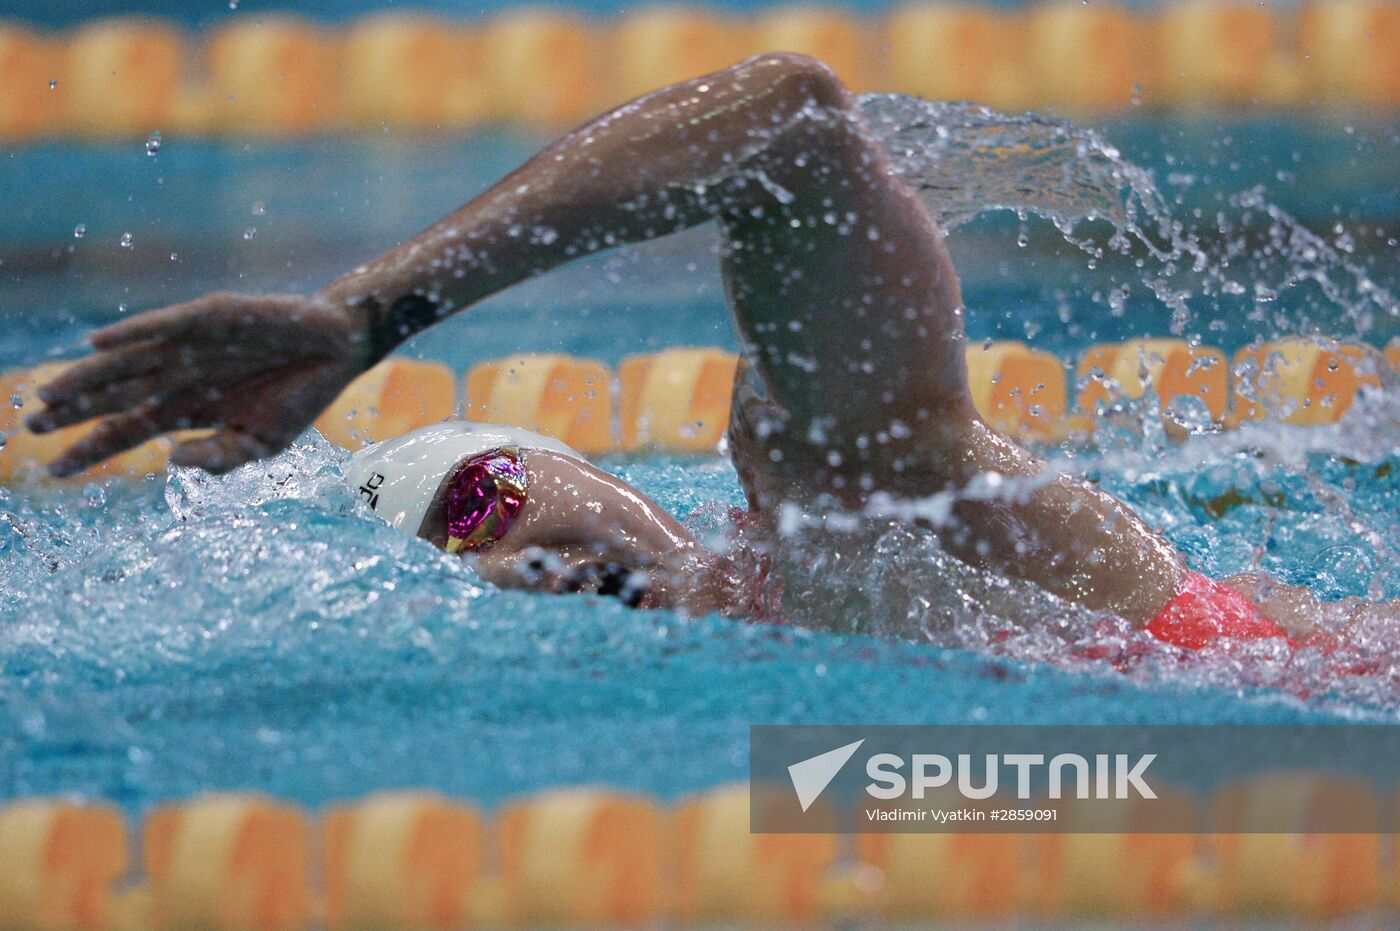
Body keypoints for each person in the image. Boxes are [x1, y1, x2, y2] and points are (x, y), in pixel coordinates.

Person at [26, 53, 1390, 647]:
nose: (522, 563)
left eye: (493, 508)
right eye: (479, 545)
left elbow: (789, 124)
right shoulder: (837, 594)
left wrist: (367, 317)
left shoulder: (852, 495)